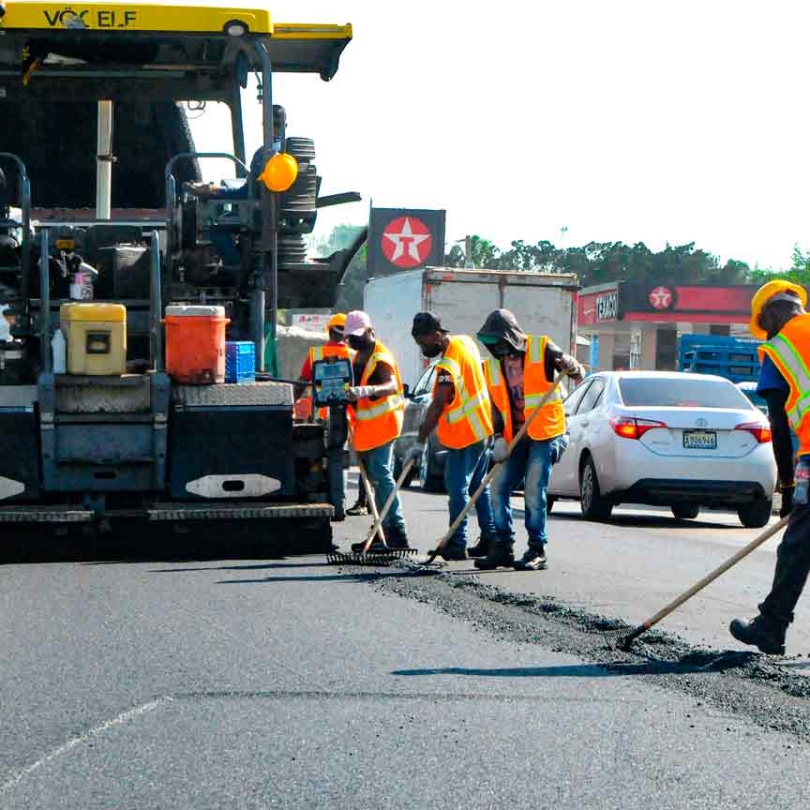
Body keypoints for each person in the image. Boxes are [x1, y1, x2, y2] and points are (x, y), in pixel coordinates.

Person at [730, 280, 810, 655]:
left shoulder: (780, 348)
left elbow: (778, 423)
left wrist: (789, 485)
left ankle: (771, 626)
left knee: (797, 544)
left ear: (771, 314)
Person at [473, 309, 584, 571]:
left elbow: (573, 370)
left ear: (512, 336)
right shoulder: (490, 367)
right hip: (515, 437)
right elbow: (496, 408)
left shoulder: (540, 347)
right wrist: (498, 437)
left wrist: (570, 364)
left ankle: (537, 549)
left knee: (534, 490)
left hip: (547, 432)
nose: (499, 349)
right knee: (498, 488)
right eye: (493, 344)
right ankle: (502, 546)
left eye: (501, 342)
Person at [407, 312, 497, 561]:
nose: (422, 348)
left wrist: (420, 441)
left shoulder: (447, 365)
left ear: (436, 335)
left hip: (465, 435)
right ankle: (491, 539)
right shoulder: (465, 342)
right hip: (482, 429)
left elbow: (437, 405)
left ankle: (456, 542)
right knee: (479, 488)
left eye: (423, 342)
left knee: (458, 489)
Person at [343, 310, 411, 550]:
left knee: (382, 477)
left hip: (384, 425)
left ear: (370, 331)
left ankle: (397, 533)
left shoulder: (380, 355)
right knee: (375, 480)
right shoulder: (358, 356)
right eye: (351, 336)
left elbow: (392, 385)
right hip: (366, 427)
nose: (353, 340)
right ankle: (381, 531)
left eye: (357, 335)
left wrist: (366, 390)